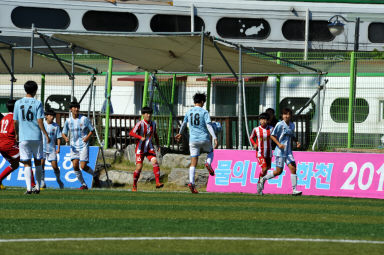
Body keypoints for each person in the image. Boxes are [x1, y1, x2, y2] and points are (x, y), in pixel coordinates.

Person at [175, 92, 218, 194]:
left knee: (193, 162)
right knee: (211, 151)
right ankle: (208, 163)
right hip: (204, 138)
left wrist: (180, 133)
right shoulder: (204, 112)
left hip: (193, 140)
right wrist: (215, 137)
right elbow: (208, 125)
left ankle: (191, 182)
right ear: (202, 101)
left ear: (194, 101)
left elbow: (184, 124)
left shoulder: (189, 112)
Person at [13, 81, 50, 194]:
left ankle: (29, 188)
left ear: (25, 90)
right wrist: (45, 134)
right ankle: (38, 187)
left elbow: (15, 121)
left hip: (24, 137)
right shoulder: (38, 103)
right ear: (35, 90)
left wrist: (16, 133)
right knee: (38, 161)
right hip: (36, 136)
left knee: (26, 163)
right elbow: (40, 120)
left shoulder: (18, 103)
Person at [257, 108, 302, 196]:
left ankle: (294, 190)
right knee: (278, 171)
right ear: (282, 116)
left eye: (288, 114)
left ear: (290, 115)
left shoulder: (292, 125)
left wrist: (296, 141)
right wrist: (279, 144)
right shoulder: (279, 124)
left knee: (293, 168)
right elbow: (272, 136)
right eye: (285, 114)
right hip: (280, 152)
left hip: (288, 152)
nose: (286, 116)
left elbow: (292, 135)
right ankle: (263, 179)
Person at [62, 101, 99, 190]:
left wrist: (87, 138)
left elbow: (92, 130)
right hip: (74, 146)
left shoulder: (84, 119)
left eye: (77, 107)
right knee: (75, 165)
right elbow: (63, 132)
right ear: (71, 109)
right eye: (74, 107)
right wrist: (65, 138)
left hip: (83, 145)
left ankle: (95, 175)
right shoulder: (68, 121)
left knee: (83, 166)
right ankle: (83, 184)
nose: (76, 109)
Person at [129, 106, 163, 192]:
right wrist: (140, 137)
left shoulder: (153, 124)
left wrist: (158, 145)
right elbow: (131, 133)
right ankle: (134, 185)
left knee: (155, 161)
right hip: (140, 149)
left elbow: (155, 135)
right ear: (143, 115)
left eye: (150, 113)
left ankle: (158, 182)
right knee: (139, 168)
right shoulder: (140, 123)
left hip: (149, 148)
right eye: (147, 113)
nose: (149, 115)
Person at [250, 112, 274, 193]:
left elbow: (275, 137)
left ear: (268, 121)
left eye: (265, 119)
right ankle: (259, 184)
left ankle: (260, 184)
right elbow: (251, 138)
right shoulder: (256, 129)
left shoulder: (271, 129)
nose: (263, 121)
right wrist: (254, 144)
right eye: (261, 119)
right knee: (264, 169)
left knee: (266, 170)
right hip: (260, 153)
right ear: (259, 120)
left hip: (269, 153)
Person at [0, 100, 22, 189]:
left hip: (1, 145)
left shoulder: (3, 119)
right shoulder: (15, 119)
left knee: (15, 164)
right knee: (26, 161)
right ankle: (32, 185)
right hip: (9, 144)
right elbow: (16, 133)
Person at [41, 110, 64, 189]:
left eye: (53, 116)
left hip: (51, 149)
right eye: (50, 115)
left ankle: (58, 179)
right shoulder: (42, 124)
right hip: (42, 148)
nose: (52, 117)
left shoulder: (56, 126)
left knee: (55, 166)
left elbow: (58, 137)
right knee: (41, 165)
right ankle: (42, 182)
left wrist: (58, 148)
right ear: (46, 116)